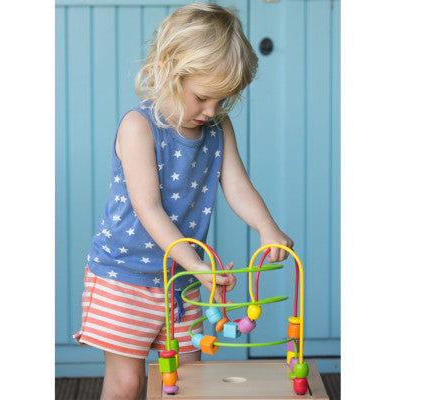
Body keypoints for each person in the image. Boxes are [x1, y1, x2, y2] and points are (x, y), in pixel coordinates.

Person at [73, 3, 293, 400]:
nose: (211, 111)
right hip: (124, 278)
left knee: (188, 383)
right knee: (126, 385)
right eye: (202, 98)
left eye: (222, 101)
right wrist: (195, 263)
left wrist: (267, 227)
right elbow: (148, 208)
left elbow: (238, 186)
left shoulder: (216, 126)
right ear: (165, 71)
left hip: (182, 280)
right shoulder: (139, 127)